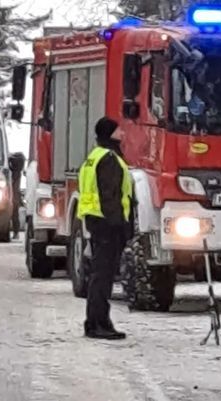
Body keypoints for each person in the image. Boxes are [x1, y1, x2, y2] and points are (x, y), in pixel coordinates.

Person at [77, 117, 133, 340]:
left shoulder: (94, 156)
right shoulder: (109, 158)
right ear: (110, 133)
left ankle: (98, 321)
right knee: (103, 275)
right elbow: (110, 195)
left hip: (96, 221)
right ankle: (97, 323)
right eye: (119, 130)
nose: (123, 133)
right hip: (107, 224)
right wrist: (120, 226)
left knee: (100, 274)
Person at [8, 152, 26, 240]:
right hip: (14, 196)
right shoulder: (17, 171)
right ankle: (16, 233)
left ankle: (15, 233)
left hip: (12, 196)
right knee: (15, 215)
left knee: (14, 215)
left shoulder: (14, 171)